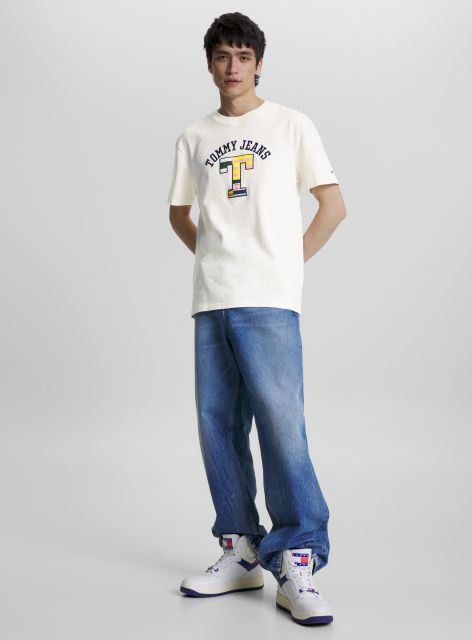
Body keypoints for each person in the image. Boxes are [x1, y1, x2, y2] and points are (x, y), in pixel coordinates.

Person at [167, 12, 346, 626]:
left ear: (259, 63)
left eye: (243, 56)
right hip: (211, 298)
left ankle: (297, 556)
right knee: (217, 422)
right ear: (210, 64)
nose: (233, 67)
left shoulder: (292, 124)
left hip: (269, 298)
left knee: (280, 424)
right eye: (223, 56)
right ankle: (240, 548)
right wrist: (217, 260)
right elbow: (179, 213)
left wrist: (282, 266)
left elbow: (332, 205)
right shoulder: (194, 136)